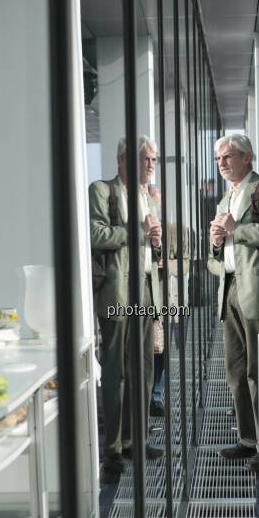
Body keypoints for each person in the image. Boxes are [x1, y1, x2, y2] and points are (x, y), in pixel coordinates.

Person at [89, 136, 165, 475]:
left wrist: (156, 242)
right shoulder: (102, 191)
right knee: (116, 371)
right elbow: (96, 234)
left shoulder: (148, 197)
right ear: (123, 160)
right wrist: (138, 229)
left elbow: (151, 246)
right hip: (117, 290)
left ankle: (137, 440)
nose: (150, 165)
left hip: (145, 289)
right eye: (145, 159)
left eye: (153, 160)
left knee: (144, 368)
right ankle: (113, 449)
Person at [209, 134, 259, 473]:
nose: (222, 163)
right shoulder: (225, 199)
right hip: (229, 287)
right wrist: (216, 242)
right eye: (218, 159)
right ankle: (248, 439)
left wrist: (237, 229)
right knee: (235, 371)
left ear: (247, 157)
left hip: (257, 288)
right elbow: (216, 259)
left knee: (256, 371)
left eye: (228, 156)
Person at [147, 185, 189, 417]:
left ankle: (156, 395)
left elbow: (186, 263)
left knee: (160, 350)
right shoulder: (135, 229)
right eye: (149, 198)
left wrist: (166, 264)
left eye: (156, 199)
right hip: (141, 299)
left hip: (166, 299)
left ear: (161, 202)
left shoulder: (176, 230)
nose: (153, 203)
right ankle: (145, 395)